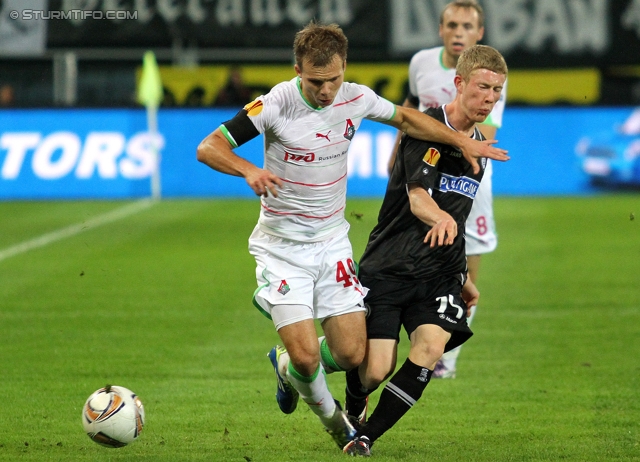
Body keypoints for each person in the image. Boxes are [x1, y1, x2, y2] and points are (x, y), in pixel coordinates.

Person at [196, 21, 508, 451]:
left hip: (332, 242)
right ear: (297, 70)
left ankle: (285, 366)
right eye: (316, 81)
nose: (327, 91)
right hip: (283, 247)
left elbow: (407, 118)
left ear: (345, 68)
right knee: (310, 357)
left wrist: (462, 141)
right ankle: (339, 426)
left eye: (335, 79)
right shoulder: (274, 103)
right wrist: (250, 169)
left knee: (352, 356)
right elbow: (209, 146)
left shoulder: (355, 97)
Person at [343, 44, 508, 457]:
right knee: (375, 368)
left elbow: (458, 211)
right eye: (483, 87)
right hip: (391, 264)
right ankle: (353, 397)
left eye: (498, 91)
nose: (489, 98)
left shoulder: (479, 147)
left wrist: (465, 277)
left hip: (438, 273)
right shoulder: (424, 130)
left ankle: (365, 437)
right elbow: (418, 199)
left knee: (430, 349)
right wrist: (442, 219)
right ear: (459, 82)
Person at [387, 0, 506, 379]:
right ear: (440, 30)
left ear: (479, 33)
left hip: (467, 181)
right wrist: (397, 156)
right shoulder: (421, 62)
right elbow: (410, 107)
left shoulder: (490, 73)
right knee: (413, 250)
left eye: (467, 26)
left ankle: (446, 359)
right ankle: (415, 335)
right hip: (424, 174)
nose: (459, 33)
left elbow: (483, 139)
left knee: (465, 266)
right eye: (452, 25)